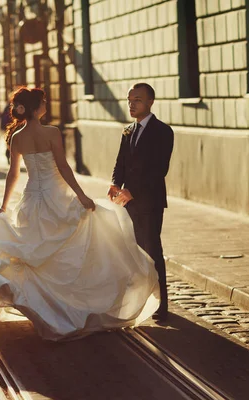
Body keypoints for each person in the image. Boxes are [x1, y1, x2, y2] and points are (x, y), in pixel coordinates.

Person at [0, 87, 160, 341]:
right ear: (34, 108)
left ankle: (45, 308)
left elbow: (13, 174)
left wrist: (4, 205)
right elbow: (64, 168)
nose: (46, 104)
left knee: (35, 253)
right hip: (57, 196)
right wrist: (81, 196)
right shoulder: (52, 133)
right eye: (43, 102)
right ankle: (75, 306)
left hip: (32, 198)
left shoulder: (17, 137)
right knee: (74, 249)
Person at [108, 83, 174, 322]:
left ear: (150, 102)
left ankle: (161, 305)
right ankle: (139, 301)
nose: (131, 104)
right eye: (129, 99)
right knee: (131, 253)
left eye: (137, 99)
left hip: (149, 202)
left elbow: (159, 170)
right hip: (127, 202)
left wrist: (132, 190)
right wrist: (115, 183)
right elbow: (120, 163)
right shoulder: (127, 130)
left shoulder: (163, 131)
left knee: (152, 252)